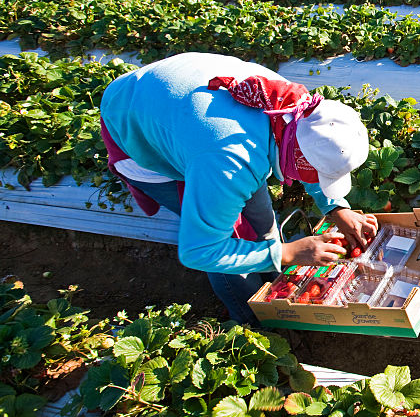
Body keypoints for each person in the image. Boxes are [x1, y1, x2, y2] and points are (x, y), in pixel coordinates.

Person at [99, 52, 378, 326]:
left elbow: (308, 154)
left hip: (181, 111)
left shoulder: (292, 108)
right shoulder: (230, 160)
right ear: (296, 154)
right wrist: (287, 253)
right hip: (133, 121)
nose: (319, 178)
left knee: (260, 217)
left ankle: (272, 282)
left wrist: (336, 207)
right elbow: (200, 250)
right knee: (226, 234)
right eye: (320, 174)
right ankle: (251, 320)